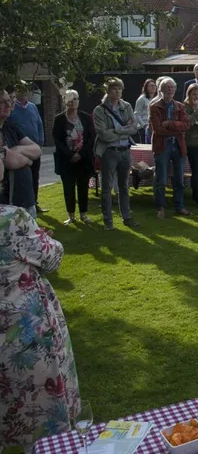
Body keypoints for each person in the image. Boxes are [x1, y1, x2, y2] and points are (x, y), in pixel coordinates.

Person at [0, 184, 80, 453]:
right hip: (20, 330)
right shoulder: (12, 219)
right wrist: (44, 240)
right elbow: (51, 258)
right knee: (36, 411)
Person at [92, 78, 140, 230]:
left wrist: (117, 131)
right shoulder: (99, 110)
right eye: (114, 89)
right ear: (108, 91)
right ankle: (108, 221)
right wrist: (122, 130)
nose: (118, 91)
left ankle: (127, 217)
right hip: (109, 152)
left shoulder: (126, 106)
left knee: (124, 186)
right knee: (106, 188)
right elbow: (104, 135)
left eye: (119, 88)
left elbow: (134, 128)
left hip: (125, 151)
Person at [150, 77, 192, 219]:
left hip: (178, 146)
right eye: (167, 88)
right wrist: (177, 128)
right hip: (162, 146)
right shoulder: (154, 107)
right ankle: (160, 207)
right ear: (161, 90)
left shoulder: (180, 106)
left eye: (172, 88)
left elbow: (186, 125)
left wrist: (170, 123)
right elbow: (158, 130)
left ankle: (179, 206)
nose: (170, 90)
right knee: (161, 179)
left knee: (179, 179)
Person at [52, 89, 95, 224]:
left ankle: (83, 214)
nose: (73, 102)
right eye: (70, 99)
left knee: (83, 186)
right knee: (68, 188)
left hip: (83, 159)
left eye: (75, 99)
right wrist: (70, 154)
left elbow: (91, 137)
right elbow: (57, 139)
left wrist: (80, 154)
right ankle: (71, 215)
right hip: (67, 160)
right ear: (65, 101)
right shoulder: (59, 119)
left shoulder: (86, 117)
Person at [0, 87, 41, 218]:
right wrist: (27, 160)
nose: (8, 105)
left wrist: (16, 150)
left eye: (9, 101)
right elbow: (10, 162)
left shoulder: (11, 128)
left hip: (25, 200)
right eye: (2, 102)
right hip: (7, 205)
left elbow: (36, 150)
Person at [9, 82, 46, 213]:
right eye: (21, 90)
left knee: (35, 177)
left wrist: (40, 141)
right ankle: (22, 205)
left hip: (34, 147)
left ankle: (34, 202)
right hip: (20, 150)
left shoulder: (32, 107)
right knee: (24, 178)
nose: (24, 93)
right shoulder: (12, 109)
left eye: (26, 90)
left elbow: (39, 124)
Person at [134, 79, 157, 143]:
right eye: (151, 86)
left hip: (154, 127)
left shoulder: (157, 99)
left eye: (154, 85)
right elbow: (136, 114)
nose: (153, 87)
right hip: (144, 127)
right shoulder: (142, 99)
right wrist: (144, 125)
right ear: (146, 87)